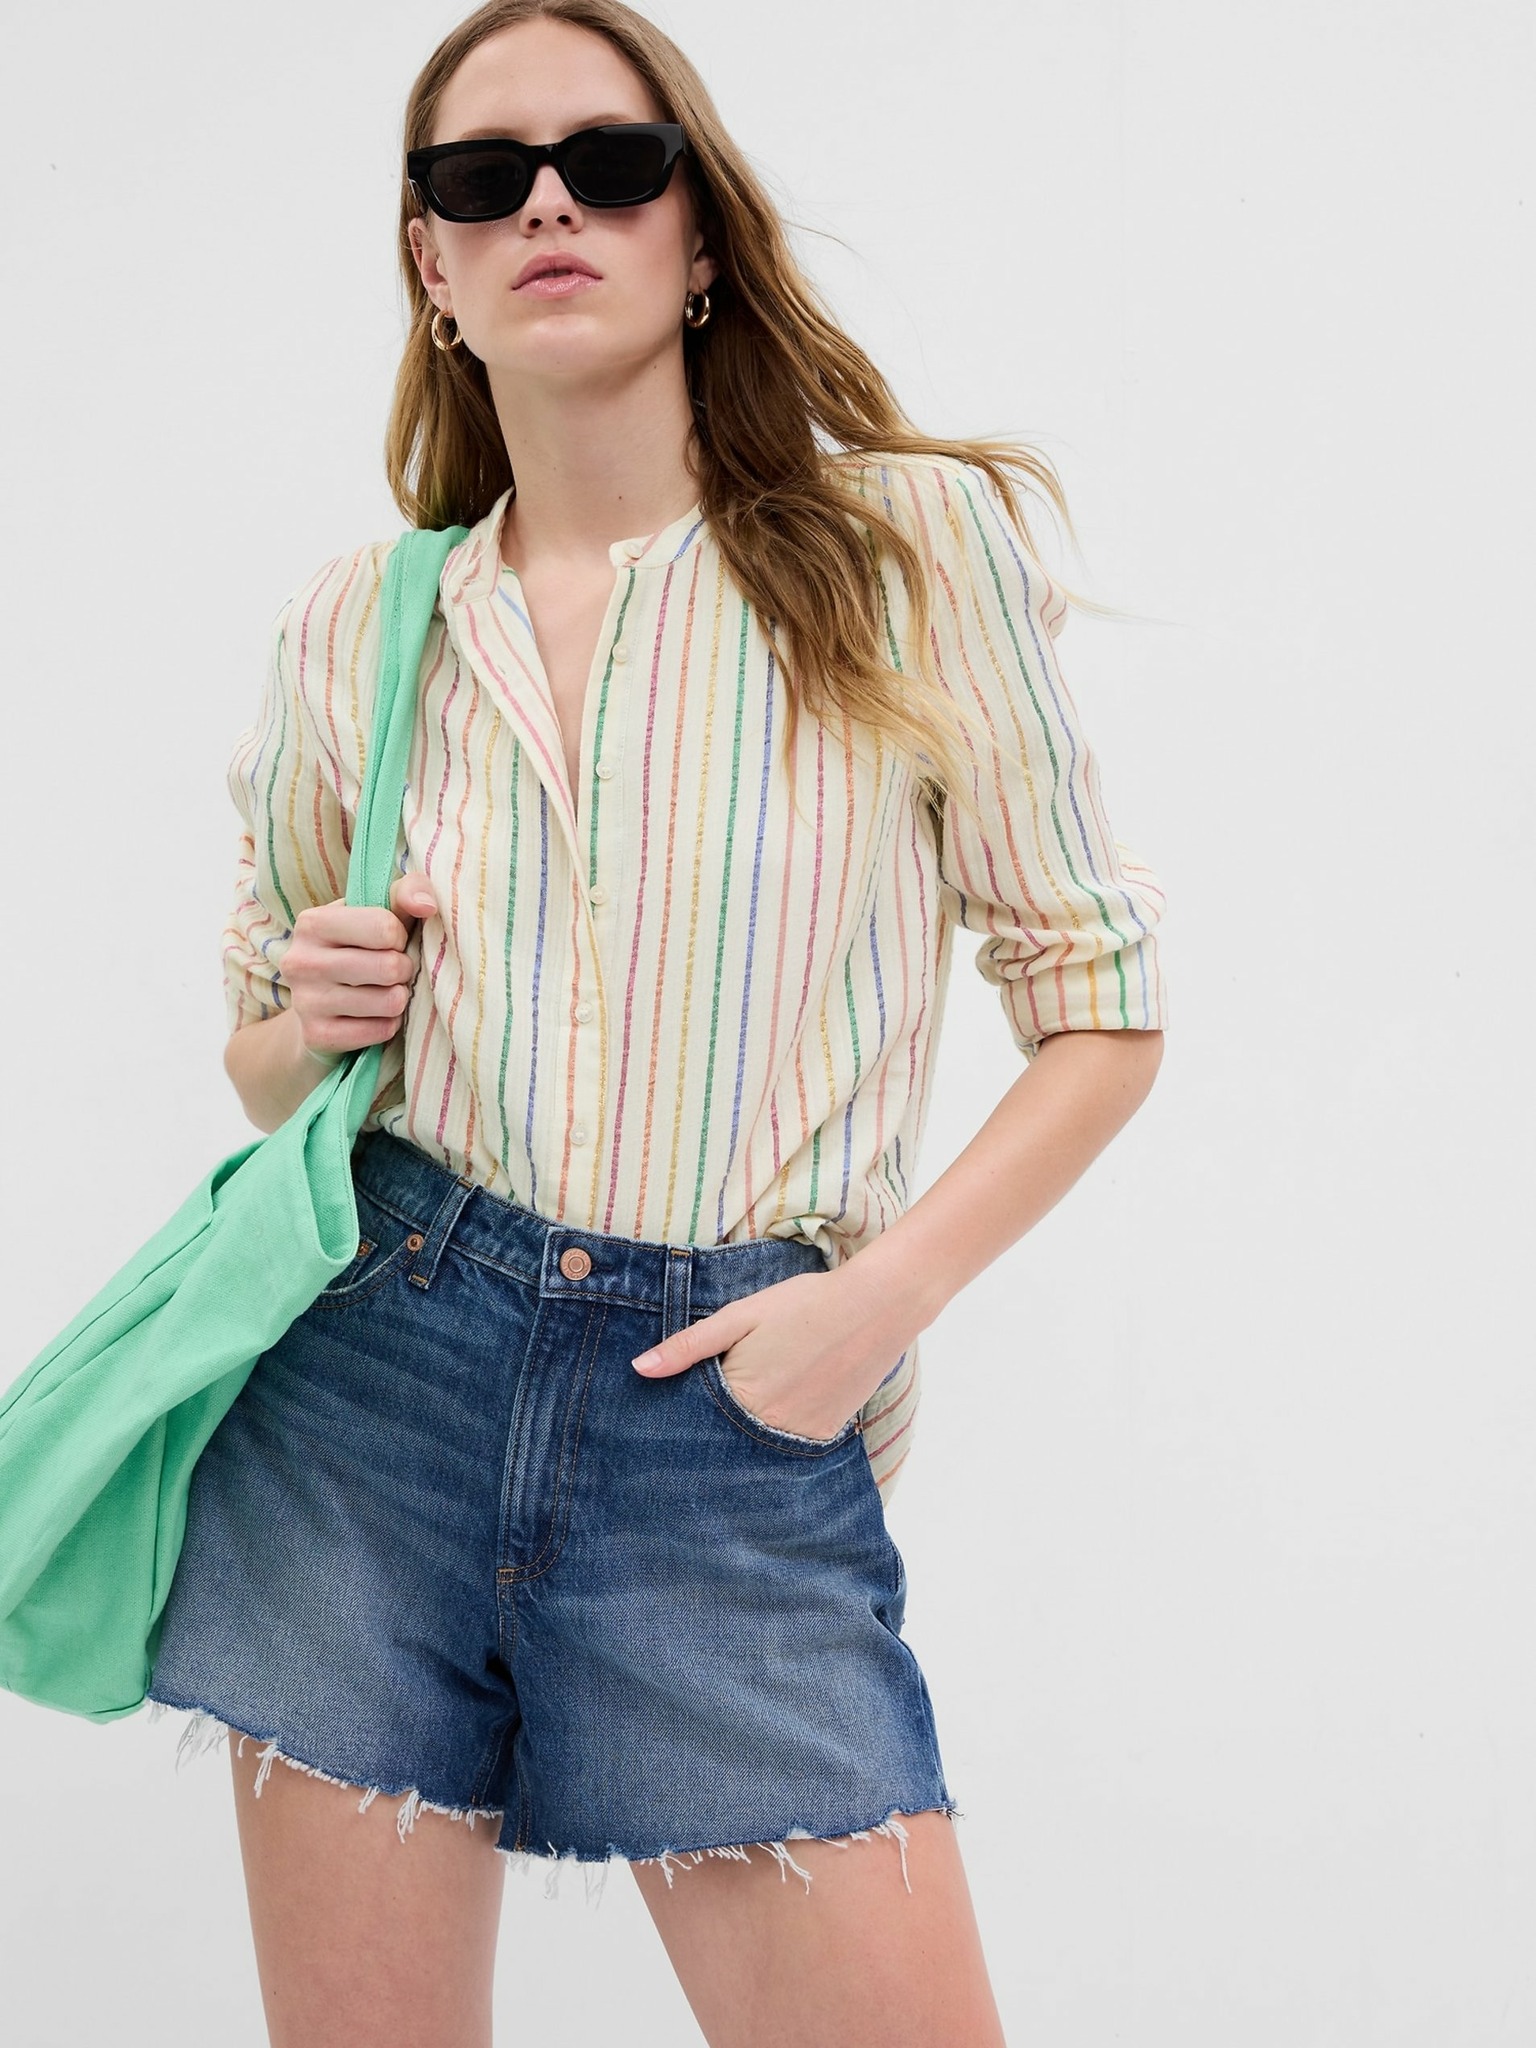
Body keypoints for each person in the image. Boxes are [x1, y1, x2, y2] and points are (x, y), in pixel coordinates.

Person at [144, 1, 1169, 2041]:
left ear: (700, 233)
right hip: (371, 1394)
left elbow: (1103, 1007)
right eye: (482, 177)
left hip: (723, 1415)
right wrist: (315, 1010)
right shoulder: (359, 621)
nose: (549, 206)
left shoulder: (905, 554)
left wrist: (866, 1309)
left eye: (611, 165)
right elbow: (267, 1065)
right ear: (432, 263)